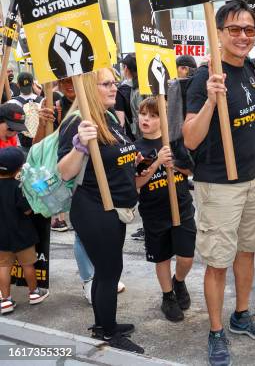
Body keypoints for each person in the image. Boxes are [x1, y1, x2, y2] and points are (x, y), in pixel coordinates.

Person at [183, 0, 255, 366]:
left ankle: (241, 315)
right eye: (234, 29)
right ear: (218, 33)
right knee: (217, 262)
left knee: (247, 251)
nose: (242, 36)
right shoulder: (202, 80)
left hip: (253, 177)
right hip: (218, 185)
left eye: (248, 29)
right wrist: (210, 100)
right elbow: (189, 138)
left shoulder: (250, 68)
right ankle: (217, 331)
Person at [57, 68, 143, 354]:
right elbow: (64, 172)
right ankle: (107, 332)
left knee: (109, 269)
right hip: (94, 208)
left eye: (114, 83)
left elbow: (115, 155)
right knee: (108, 271)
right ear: (89, 88)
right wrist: (79, 147)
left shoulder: (107, 117)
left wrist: (136, 156)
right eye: (106, 84)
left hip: (114, 207)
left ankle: (103, 323)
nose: (113, 88)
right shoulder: (77, 122)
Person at [134, 97, 196, 322]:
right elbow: (137, 184)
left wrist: (174, 164)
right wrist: (156, 162)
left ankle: (179, 281)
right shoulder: (137, 149)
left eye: (153, 115)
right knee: (162, 258)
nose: (146, 119)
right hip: (154, 213)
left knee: (186, 256)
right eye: (143, 114)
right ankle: (167, 296)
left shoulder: (174, 142)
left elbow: (189, 171)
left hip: (182, 208)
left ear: (163, 119)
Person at [0, 147, 49, 314]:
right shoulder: (18, 187)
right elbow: (27, 211)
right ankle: (34, 293)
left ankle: (5, 300)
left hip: (2, 238)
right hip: (22, 236)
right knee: (28, 265)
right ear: (19, 169)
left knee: (3, 267)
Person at [115, 54, 139, 141]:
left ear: (126, 68)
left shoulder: (121, 91)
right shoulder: (147, 86)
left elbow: (120, 123)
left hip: (133, 138)